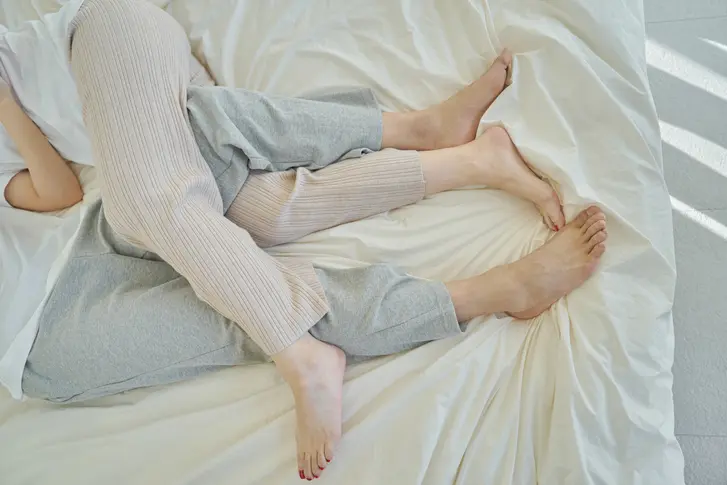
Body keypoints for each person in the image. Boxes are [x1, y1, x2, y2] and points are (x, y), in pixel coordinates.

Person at [3, 0, 608, 481]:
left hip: (102, 51)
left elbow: (63, 189)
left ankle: (417, 134)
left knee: (154, 197)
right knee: (249, 241)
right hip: (40, 333)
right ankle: (478, 205)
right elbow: (54, 193)